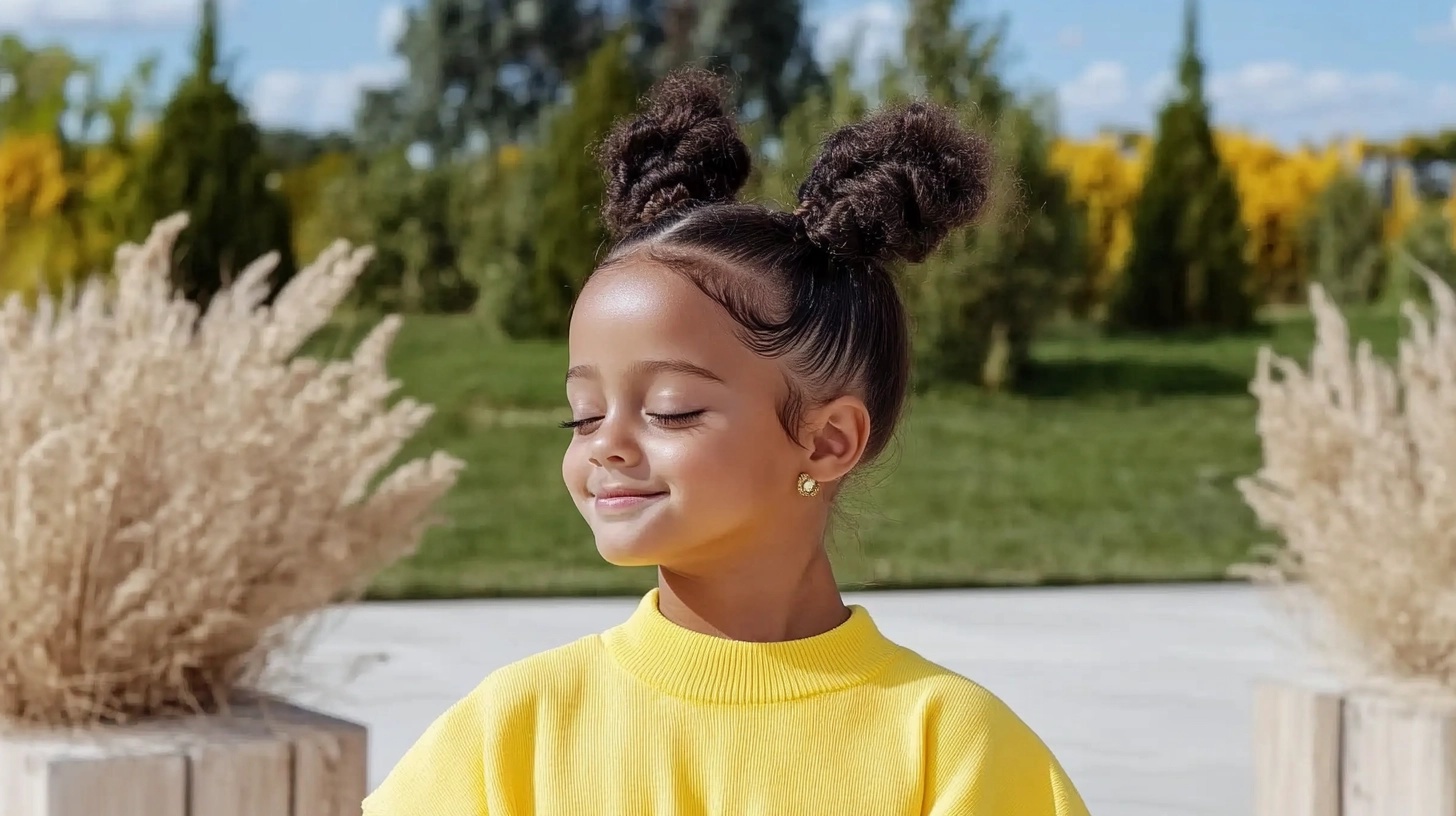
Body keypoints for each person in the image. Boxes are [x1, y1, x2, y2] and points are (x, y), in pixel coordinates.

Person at [362, 68, 1091, 816]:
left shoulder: (953, 746)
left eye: (671, 411)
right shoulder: (514, 731)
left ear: (829, 441)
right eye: (581, 415)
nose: (605, 444)